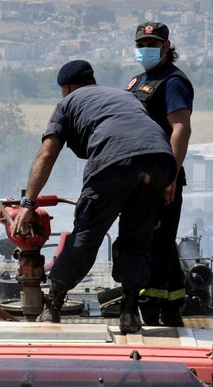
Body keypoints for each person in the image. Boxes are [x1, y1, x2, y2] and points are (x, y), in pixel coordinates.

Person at [11, 60, 175, 334]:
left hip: (114, 161)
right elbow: (143, 135)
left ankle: (53, 305)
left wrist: (28, 202)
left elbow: (47, 153)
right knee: (137, 240)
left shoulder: (67, 103)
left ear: (67, 87)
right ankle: (129, 312)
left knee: (86, 237)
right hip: (160, 160)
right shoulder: (125, 96)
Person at [125, 22, 194, 327]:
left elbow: (180, 128)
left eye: (153, 44)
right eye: (142, 44)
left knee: (156, 241)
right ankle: (174, 303)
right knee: (160, 239)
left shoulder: (173, 82)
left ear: (166, 47)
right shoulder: (138, 80)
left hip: (161, 176)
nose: (146, 49)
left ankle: (152, 305)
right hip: (140, 177)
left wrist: (171, 175)